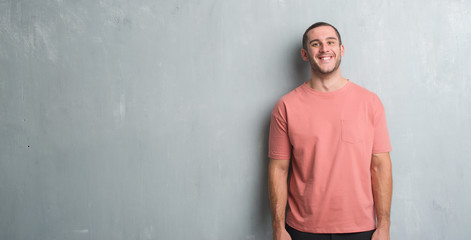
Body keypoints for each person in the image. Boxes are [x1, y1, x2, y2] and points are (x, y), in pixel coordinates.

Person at [268, 22, 393, 240]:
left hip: (360, 228)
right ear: (305, 54)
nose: (324, 49)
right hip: (302, 229)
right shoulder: (286, 106)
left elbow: (380, 167)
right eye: (316, 44)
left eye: (330, 42)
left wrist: (383, 227)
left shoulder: (370, 102)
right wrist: (279, 228)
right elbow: (278, 170)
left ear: (341, 50)